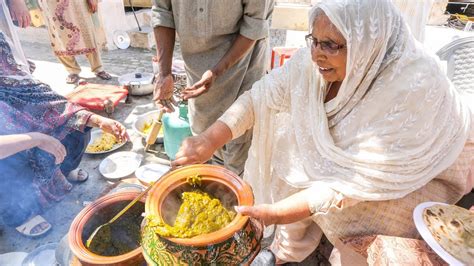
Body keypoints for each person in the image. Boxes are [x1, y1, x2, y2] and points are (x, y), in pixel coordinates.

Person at [172, 0, 473, 264]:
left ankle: (346, 253)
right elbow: (261, 95)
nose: (317, 55)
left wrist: (277, 214)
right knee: (291, 146)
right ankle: (289, 247)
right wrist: (208, 138)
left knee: (359, 219)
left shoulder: (409, 91)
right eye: (313, 40)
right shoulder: (314, 61)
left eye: (330, 44)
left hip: (425, 169)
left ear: (367, 45)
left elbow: (350, 187)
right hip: (360, 172)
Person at [0, 30, 129, 237]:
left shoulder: (10, 78)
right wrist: (36, 139)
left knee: (78, 125)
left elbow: (53, 103)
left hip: (29, 140)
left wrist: (96, 120)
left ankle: (61, 172)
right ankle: (20, 214)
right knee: (7, 166)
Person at [151, 0, 274, 175]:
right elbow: (162, 12)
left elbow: (254, 24)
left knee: (239, 154)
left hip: (243, 71)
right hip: (198, 79)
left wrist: (217, 71)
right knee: (205, 142)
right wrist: (164, 73)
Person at [37, 0, 111, 84]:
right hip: (50, 3)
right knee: (59, 36)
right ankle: (72, 71)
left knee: (87, 32)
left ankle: (98, 68)